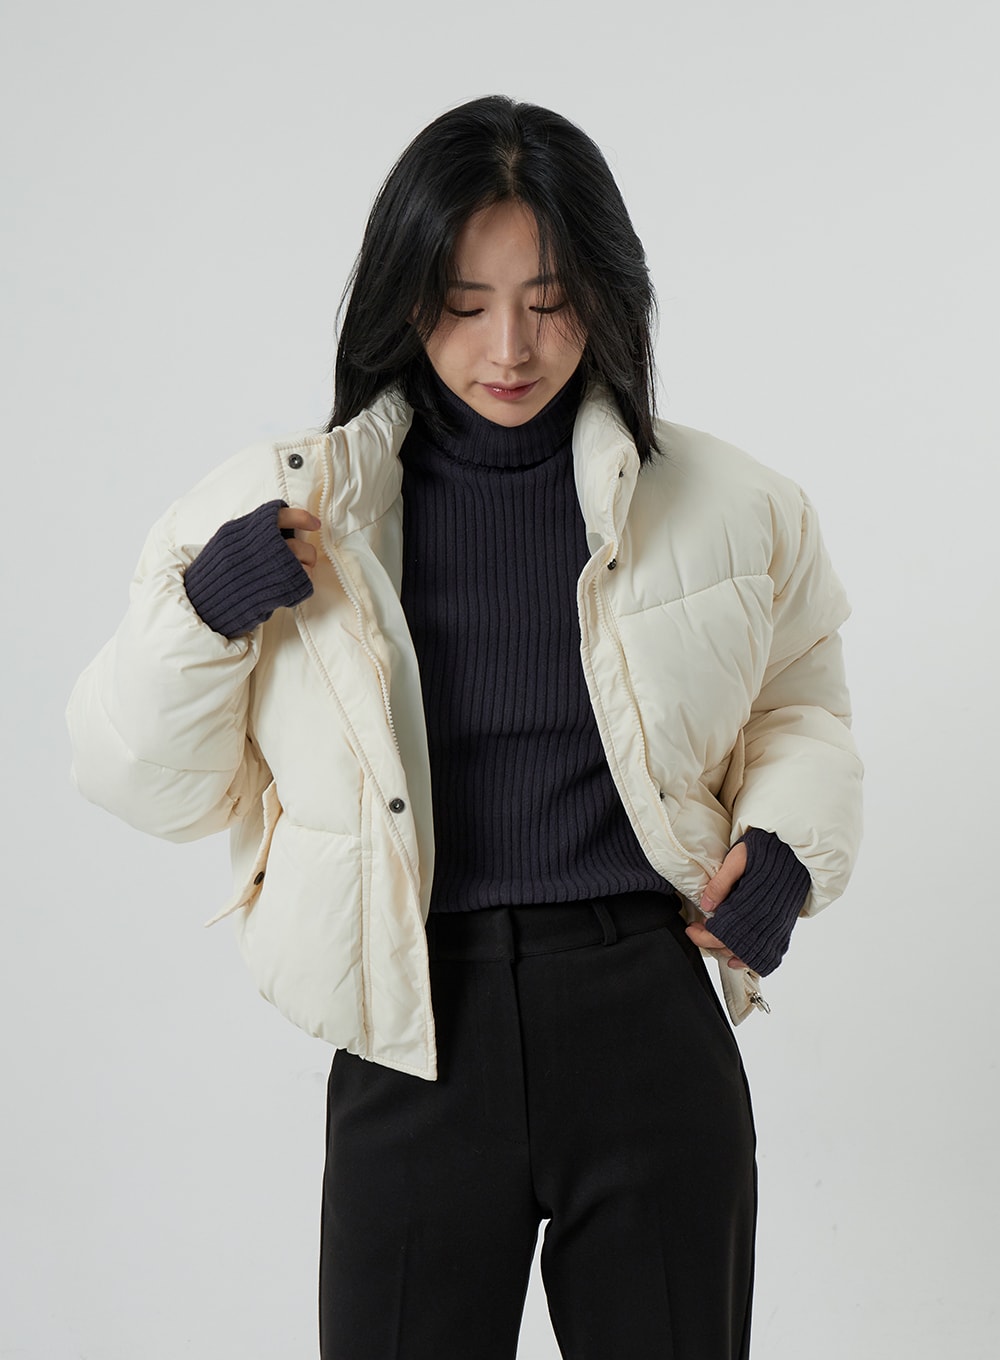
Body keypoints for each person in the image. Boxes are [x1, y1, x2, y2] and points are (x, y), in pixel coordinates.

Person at [66, 95, 863, 1360]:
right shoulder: (289, 507)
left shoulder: (733, 504)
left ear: (605, 294)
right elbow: (134, 777)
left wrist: (782, 856)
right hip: (410, 1024)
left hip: (645, 1016)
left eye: (547, 300)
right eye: (463, 302)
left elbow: (799, 704)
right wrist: (204, 615)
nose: (509, 347)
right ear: (403, 297)